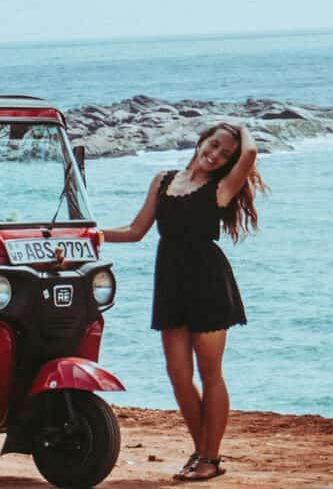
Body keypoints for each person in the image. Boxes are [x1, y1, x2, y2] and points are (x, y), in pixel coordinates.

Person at [103, 121, 265, 482]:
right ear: (202, 139)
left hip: (207, 282)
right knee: (178, 375)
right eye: (214, 144)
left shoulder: (222, 187)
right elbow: (134, 232)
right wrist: (89, 234)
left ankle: (210, 456)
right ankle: (201, 452)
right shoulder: (163, 180)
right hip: (171, 283)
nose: (216, 154)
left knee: (210, 374)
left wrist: (240, 127)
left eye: (225, 153)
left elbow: (251, 152)